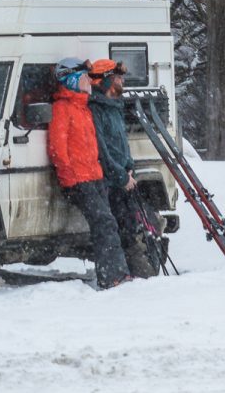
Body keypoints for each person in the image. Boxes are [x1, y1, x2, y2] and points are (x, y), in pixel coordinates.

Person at [46, 57, 132, 289]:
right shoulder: (62, 109)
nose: (88, 81)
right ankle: (113, 276)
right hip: (79, 181)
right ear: (72, 80)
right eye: (84, 76)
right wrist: (70, 177)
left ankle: (116, 273)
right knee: (104, 223)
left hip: (95, 177)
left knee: (108, 223)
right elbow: (58, 149)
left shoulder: (84, 107)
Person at [87, 59, 159, 277]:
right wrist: (120, 176)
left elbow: (122, 144)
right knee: (120, 229)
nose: (122, 81)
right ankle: (126, 272)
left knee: (131, 224)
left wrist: (129, 168)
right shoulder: (95, 110)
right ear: (106, 80)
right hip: (110, 183)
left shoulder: (115, 107)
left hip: (123, 178)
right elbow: (102, 150)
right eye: (117, 77)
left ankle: (138, 270)